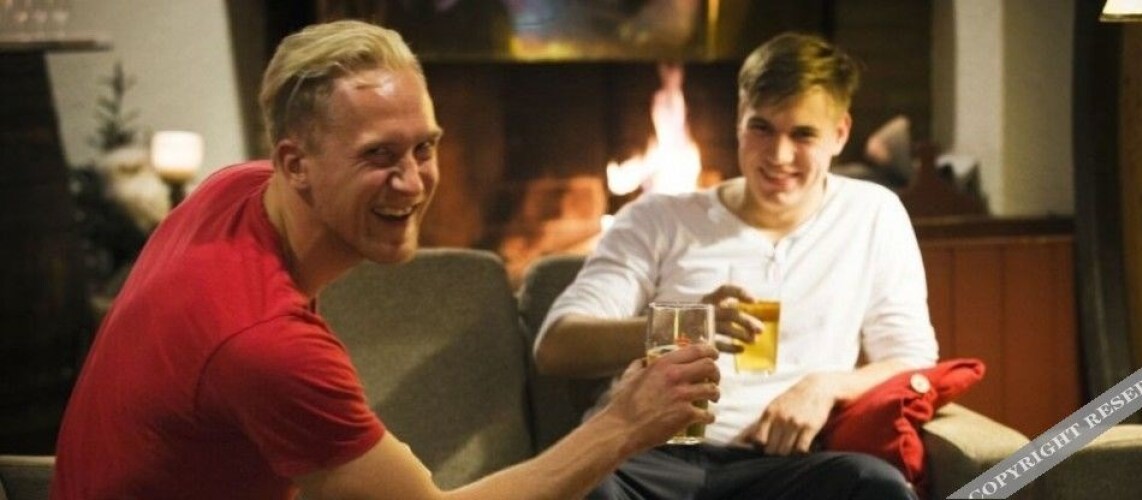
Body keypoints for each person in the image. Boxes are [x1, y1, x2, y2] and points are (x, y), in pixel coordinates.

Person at [52, 20, 720, 499]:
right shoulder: (269, 346)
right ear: (295, 164)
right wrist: (622, 425)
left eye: (423, 148)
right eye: (377, 155)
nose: (412, 182)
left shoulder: (234, 190)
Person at [534, 32, 938, 500]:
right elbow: (556, 346)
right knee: (586, 486)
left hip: (784, 464)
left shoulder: (872, 213)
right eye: (761, 128)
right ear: (739, 120)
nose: (778, 156)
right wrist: (683, 324)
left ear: (839, 134)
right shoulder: (658, 218)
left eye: (803, 134)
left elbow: (912, 357)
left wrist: (826, 387)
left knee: (876, 485)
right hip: (648, 457)